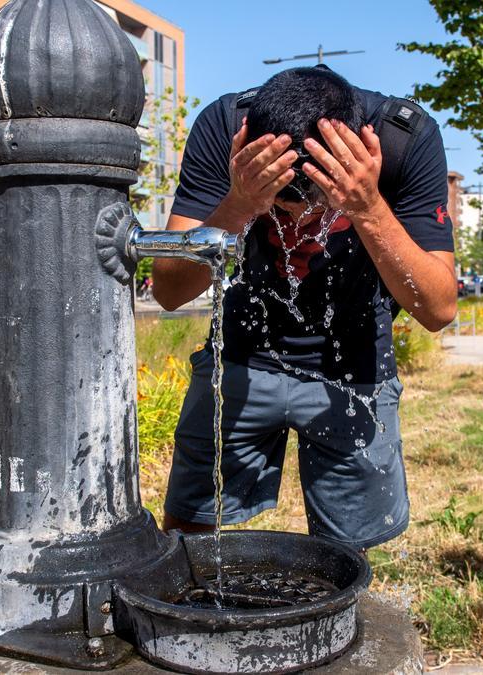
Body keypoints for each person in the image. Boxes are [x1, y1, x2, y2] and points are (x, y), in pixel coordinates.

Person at [152, 67, 457, 550]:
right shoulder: (225, 128)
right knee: (188, 533)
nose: (299, 225)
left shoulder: (406, 138)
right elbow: (168, 290)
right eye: (280, 208)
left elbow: (438, 309)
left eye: (319, 207)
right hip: (242, 357)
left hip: (355, 368)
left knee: (347, 551)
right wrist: (238, 202)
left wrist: (369, 207)